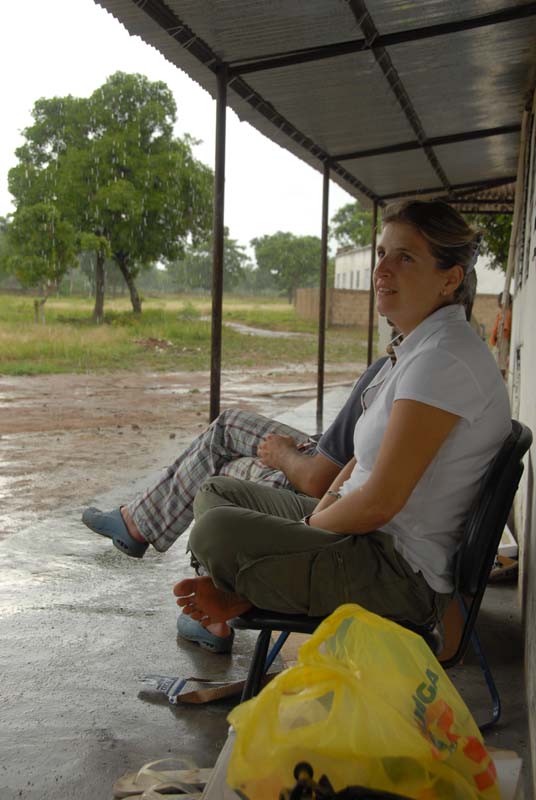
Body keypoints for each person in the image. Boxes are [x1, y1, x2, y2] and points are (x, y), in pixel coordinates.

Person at [173, 200, 511, 638]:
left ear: (450, 278)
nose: (382, 270)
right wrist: (324, 508)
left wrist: (304, 528)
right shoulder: (419, 348)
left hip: (394, 567)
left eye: (404, 257)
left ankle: (246, 592)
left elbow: (378, 504)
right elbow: (360, 460)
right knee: (215, 492)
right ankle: (250, 588)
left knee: (216, 532)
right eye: (381, 254)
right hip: (358, 532)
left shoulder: (443, 360)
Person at [82, 358, 387, 650]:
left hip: (320, 482)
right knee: (225, 435)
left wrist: (285, 457)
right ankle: (141, 527)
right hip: (326, 466)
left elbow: (321, 481)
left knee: (217, 473)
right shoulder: (404, 359)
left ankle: (202, 603)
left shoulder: (405, 367)